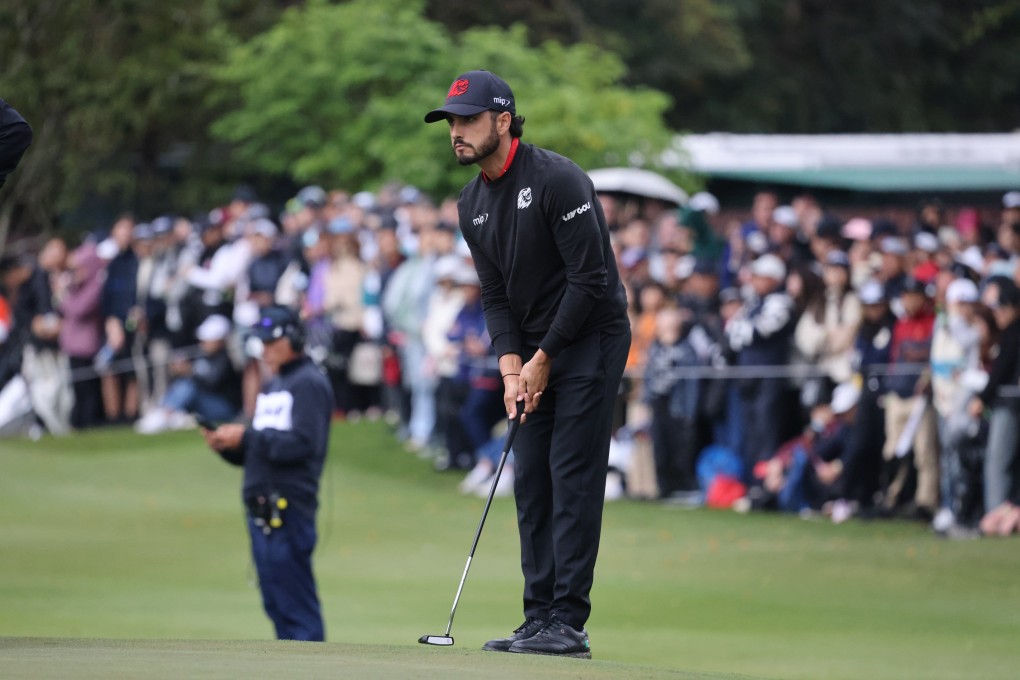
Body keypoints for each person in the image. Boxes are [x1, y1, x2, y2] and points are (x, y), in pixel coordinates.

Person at [424, 70, 631, 659]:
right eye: (451, 123)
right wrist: (513, 369)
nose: (456, 132)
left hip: (590, 338)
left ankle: (569, 621)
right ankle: (538, 616)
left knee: (572, 474)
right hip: (535, 350)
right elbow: (495, 296)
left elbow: (591, 281)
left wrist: (543, 359)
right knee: (531, 476)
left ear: (504, 121)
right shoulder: (471, 203)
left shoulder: (559, 181)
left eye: (467, 120)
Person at [202, 305, 334, 641]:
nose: (264, 349)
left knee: (296, 609)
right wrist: (229, 448)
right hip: (263, 509)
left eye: (270, 342)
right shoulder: (273, 385)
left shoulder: (309, 383)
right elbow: (261, 452)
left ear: (293, 339)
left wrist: (246, 436)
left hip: (289, 508)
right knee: (275, 604)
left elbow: (304, 444)